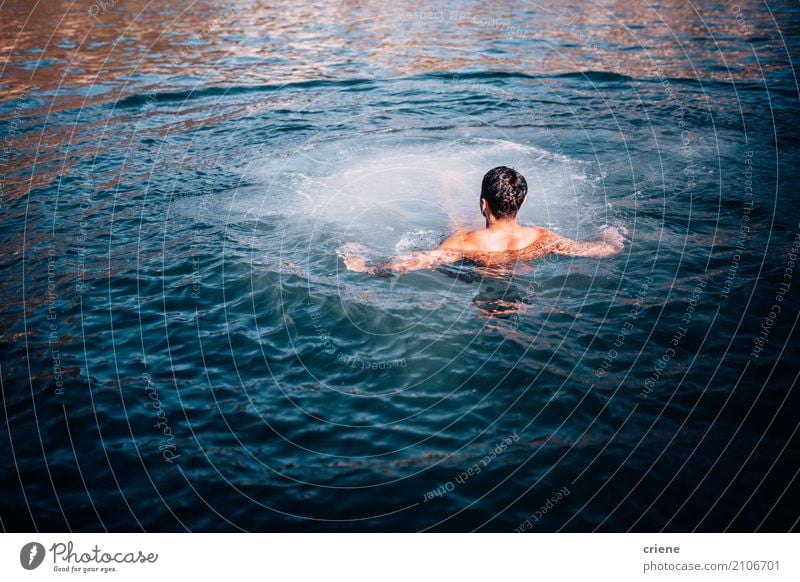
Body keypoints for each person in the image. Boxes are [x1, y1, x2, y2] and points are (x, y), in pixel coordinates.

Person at [339, 166, 624, 275]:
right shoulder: (541, 237)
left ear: (483, 204)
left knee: (451, 222)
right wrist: (611, 234)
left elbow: (412, 262)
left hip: (474, 275)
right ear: (522, 201)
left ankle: (446, 187)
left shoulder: (463, 242)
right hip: (521, 272)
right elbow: (602, 250)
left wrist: (365, 266)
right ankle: (446, 185)